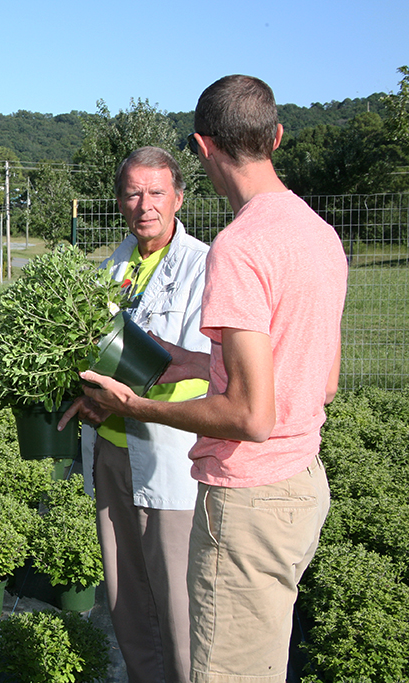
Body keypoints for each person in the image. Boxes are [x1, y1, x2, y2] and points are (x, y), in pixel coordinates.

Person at [71, 75, 346, 682]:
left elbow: (251, 415)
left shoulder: (238, 247)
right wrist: (188, 359)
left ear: (200, 147)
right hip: (300, 483)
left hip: (248, 496)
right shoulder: (318, 233)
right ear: (275, 135)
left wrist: (138, 407)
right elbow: (318, 382)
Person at [60, 146, 209, 683]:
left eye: (156, 192)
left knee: (176, 602)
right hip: (110, 455)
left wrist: (111, 393)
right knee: (125, 596)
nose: (144, 205)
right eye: (132, 193)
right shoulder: (109, 268)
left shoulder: (203, 266)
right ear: (120, 200)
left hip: (168, 459)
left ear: (178, 197)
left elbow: (195, 367)